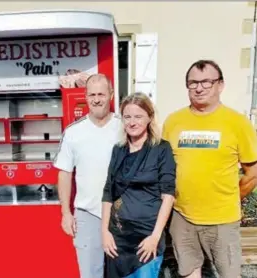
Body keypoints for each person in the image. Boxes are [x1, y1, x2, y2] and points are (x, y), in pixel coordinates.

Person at [162, 59, 257, 278]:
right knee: (188, 273)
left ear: (220, 85)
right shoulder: (173, 122)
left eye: (207, 82)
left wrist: (231, 198)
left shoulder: (238, 123)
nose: (199, 87)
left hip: (222, 220)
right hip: (182, 218)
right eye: (193, 82)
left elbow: (252, 173)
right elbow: (164, 168)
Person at [53, 73, 121, 278]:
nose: (97, 99)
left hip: (121, 212)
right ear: (85, 96)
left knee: (122, 271)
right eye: (92, 94)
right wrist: (65, 212)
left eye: (101, 93)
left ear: (111, 94)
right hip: (87, 213)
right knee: (91, 274)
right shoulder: (73, 132)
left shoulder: (124, 127)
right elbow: (64, 173)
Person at [101, 93, 176, 278]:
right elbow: (108, 192)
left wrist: (155, 237)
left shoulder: (161, 149)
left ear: (149, 117)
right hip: (117, 237)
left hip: (146, 237)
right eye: (127, 117)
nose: (132, 122)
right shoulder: (118, 150)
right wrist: (104, 232)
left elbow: (168, 195)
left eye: (138, 116)